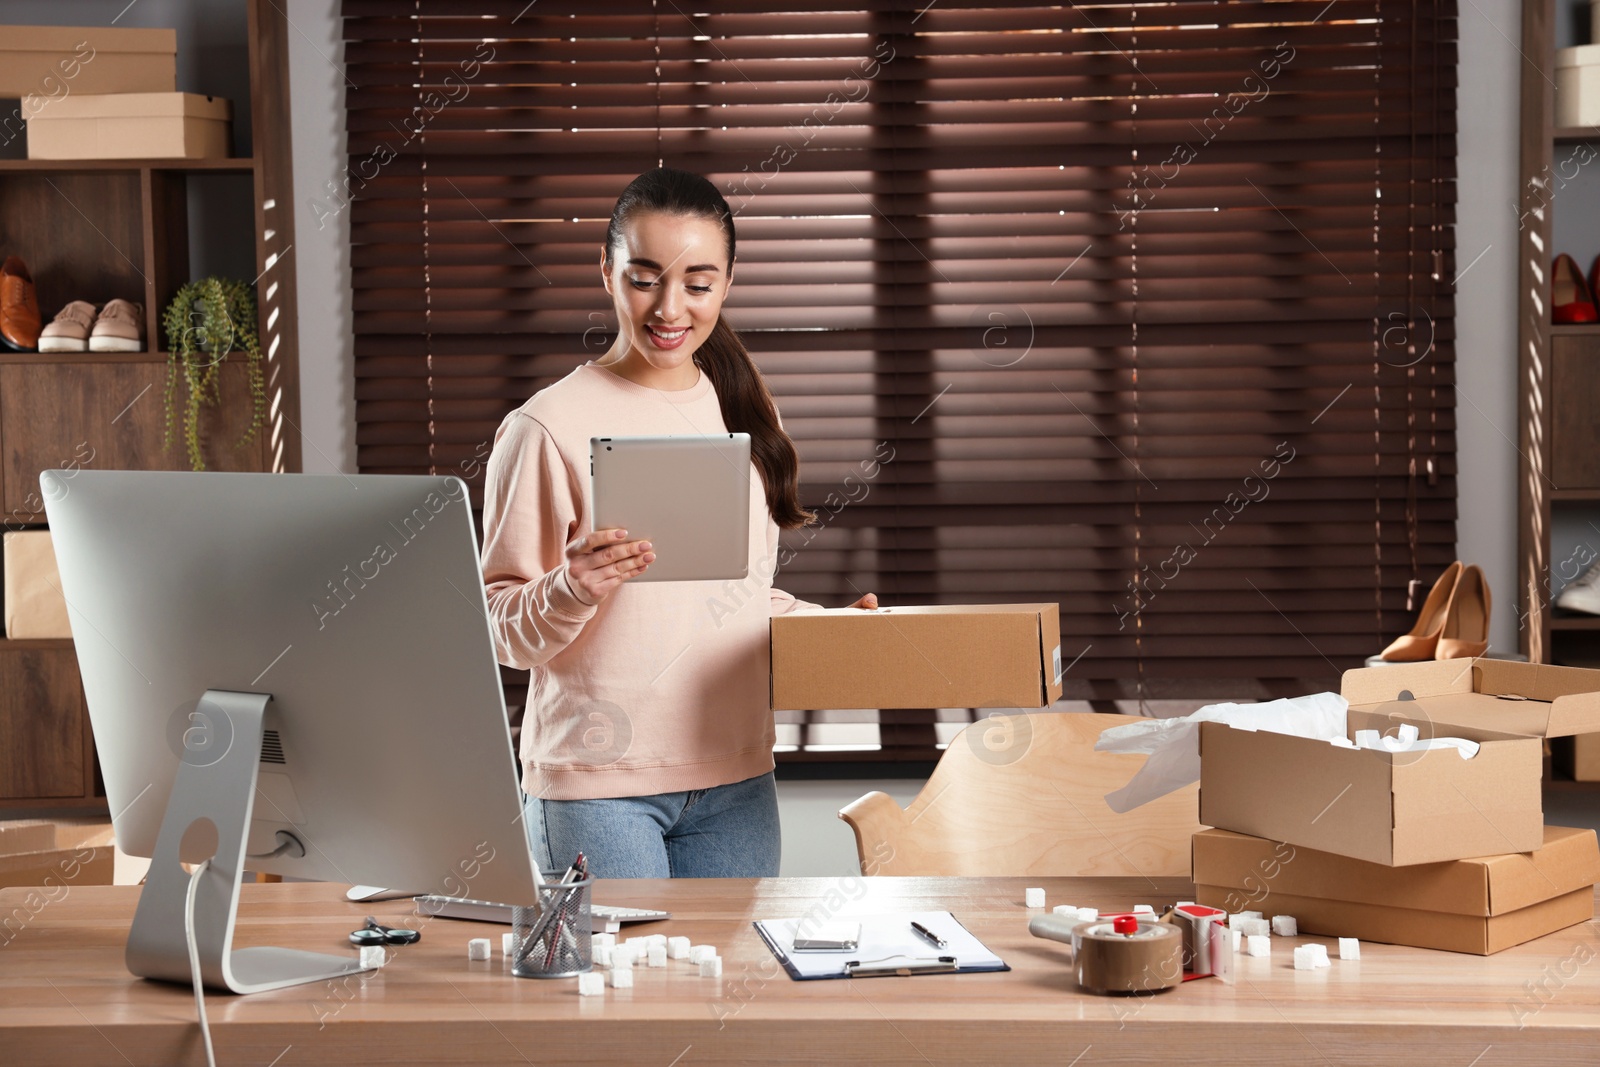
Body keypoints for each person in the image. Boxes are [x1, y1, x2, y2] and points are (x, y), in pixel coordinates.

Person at [481, 167, 875, 879]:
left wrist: (828, 628)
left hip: (736, 780)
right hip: (598, 787)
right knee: (629, 993)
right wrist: (572, 588)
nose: (670, 307)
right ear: (605, 272)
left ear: (726, 284)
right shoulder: (545, 426)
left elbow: (733, 597)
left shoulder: (747, 413)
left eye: (697, 283)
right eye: (644, 277)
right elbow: (498, 627)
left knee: (724, 987)